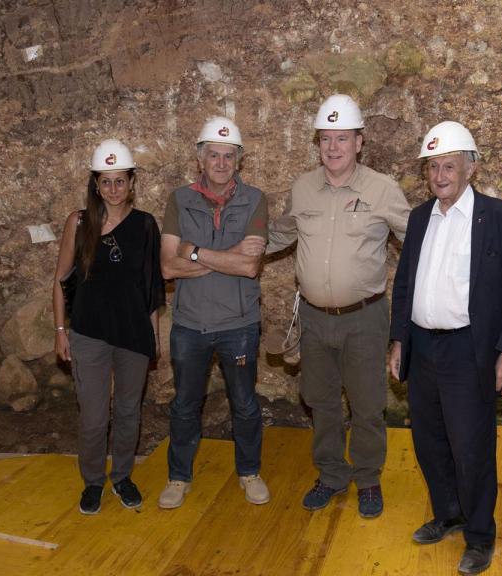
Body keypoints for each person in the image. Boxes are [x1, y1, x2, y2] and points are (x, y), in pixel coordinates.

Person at [389, 121, 502, 575]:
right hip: (422, 347)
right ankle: (448, 513)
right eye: (432, 167)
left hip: (469, 351)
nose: (440, 176)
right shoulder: (419, 218)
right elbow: (405, 283)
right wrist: (399, 340)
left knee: (471, 447)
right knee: (429, 440)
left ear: (471, 168)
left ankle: (479, 535)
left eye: (449, 166)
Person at [268, 94, 409, 518]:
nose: (333, 147)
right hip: (314, 319)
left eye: (342, 138)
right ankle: (331, 474)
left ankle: (367, 478)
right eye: (326, 139)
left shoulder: (382, 189)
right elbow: (280, 234)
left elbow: (418, 240)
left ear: (359, 142)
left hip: (364, 318)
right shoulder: (303, 188)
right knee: (320, 400)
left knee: (367, 404)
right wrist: (231, 249)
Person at [157, 116, 270, 510]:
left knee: (245, 404)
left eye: (228, 156)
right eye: (214, 155)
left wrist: (193, 252)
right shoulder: (179, 200)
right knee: (185, 405)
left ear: (239, 160)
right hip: (190, 324)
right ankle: (178, 477)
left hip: (239, 325)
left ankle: (249, 472)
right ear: (200, 159)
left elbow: (250, 267)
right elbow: (167, 267)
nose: (221, 163)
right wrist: (227, 257)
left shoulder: (255, 199)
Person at [52, 139, 165, 515]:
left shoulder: (146, 225)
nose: (113, 188)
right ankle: (93, 481)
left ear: (131, 183)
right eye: (106, 181)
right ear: (96, 185)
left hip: (133, 332)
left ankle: (122, 477)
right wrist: (60, 331)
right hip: (88, 333)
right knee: (94, 417)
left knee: (129, 411)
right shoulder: (79, 222)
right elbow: (60, 280)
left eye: (120, 180)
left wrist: (154, 337)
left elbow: (151, 288)